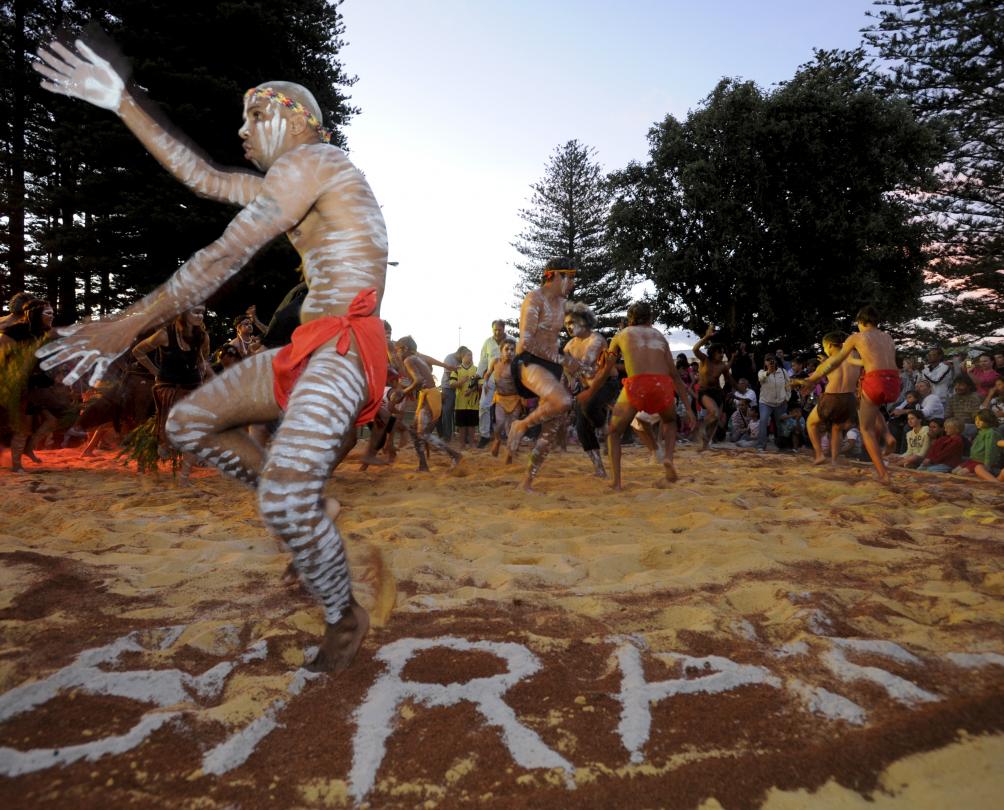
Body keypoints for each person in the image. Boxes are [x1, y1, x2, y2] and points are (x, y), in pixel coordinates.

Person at [35, 38, 388, 672]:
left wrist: (126, 325)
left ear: (301, 119)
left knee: (281, 500)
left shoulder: (316, 159)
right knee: (186, 423)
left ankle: (344, 614)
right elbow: (203, 177)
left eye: (257, 114)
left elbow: (226, 255)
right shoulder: (299, 178)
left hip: (342, 350)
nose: (242, 128)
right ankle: (308, 505)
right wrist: (122, 103)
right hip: (309, 348)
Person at [593, 301, 695, 490]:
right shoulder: (660, 337)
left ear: (630, 318)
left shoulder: (621, 334)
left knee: (614, 433)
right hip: (662, 384)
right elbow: (674, 375)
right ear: (650, 318)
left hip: (637, 384)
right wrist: (689, 410)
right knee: (670, 422)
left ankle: (616, 482)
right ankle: (668, 459)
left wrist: (591, 390)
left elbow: (607, 368)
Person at [794, 306, 898, 484]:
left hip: (869, 382)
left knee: (866, 429)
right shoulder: (887, 337)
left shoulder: (857, 337)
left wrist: (813, 379)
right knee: (872, 407)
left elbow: (834, 362)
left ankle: (883, 474)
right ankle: (888, 436)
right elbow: (871, 360)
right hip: (894, 382)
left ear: (860, 321)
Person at [507, 257, 580, 492]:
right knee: (564, 400)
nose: (572, 283)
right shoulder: (534, 298)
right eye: (570, 278)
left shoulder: (562, 303)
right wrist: (562, 359)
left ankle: (527, 481)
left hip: (551, 364)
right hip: (529, 362)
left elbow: (566, 334)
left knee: (553, 425)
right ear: (556, 276)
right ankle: (521, 425)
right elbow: (526, 342)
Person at [132, 307, 211, 474]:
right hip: (168, 386)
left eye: (202, 312)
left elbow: (202, 357)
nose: (200, 315)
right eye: (195, 312)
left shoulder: (202, 336)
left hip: (192, 384)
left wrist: (202, 365)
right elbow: (138, 351)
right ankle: (165, 442)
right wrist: (154, 371)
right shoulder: (165, 334)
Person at [1, 298, 71, 471]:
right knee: (22, 425)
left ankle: (28, 448)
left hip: (35, 384)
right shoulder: (14, 331)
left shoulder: (42, 333)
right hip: (15, 385)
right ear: (35, 314)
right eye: (48, 313)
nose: (52, 316)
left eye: (53, 313)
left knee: (54, 418)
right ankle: (16, 466)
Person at [563, 302, 619, 477]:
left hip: (607, 383)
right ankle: (599, 469)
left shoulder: (596, 339)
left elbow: (585, 363)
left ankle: (604, 429)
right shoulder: (569, 346)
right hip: (588, 388)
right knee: (581, 429)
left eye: (573, 322)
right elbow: (566, 373)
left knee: (589, 405)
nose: (569, 327)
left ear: (584, 321)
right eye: (566, 324)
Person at [395, 336, 462, 471]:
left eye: (398, 350)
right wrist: (448, 366)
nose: (397, 354)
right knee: (414, 431)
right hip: (428, 396)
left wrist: (404, 392)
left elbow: (418, 380)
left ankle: (454, 455)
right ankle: (423, 464)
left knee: (423, 434)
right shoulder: (417, 357)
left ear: (405, 349)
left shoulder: (409, 359)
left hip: (430, 397)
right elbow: (429, 364)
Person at [806, 331, 860, 467]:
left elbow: (811, 380)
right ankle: (835, 460)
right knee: (837, 429)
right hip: (849, 398)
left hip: (832, 397)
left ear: (829, 345)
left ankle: (819, 455)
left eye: (824, 347)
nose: (824, 350)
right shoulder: (855, 354)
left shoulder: (829, 362)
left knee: (811, 423)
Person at [692, 325, 733, 451]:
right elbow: (695, 349)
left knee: (715, 420)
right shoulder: (704, 360)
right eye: (719, 352)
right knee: (714, 415)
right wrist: (706, 337)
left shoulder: (722, 365)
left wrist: (728, 392)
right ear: (713, 352)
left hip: (718, 393)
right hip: (705, 392)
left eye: (723, 352)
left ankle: (705, 445)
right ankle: (701, 427)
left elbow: (727, 379)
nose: (722, 354)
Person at [486, 338, 521, 462]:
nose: (510, 352)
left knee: (512, 428)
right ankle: (497, 439)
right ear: (501, 351)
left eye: (512, 349)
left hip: (515, 399)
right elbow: (488, 373)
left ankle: (510, 453)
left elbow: (525, 381)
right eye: (507, 349)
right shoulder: (495, 362)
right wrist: (484, 384)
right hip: (500, 398)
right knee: (499, 424)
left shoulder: (517, 365)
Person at [476, 320, 507, 448]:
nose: (497, 332)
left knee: (507, 405)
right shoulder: (488, 342)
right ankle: (484, 435)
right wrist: (478, 376)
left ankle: (505, 433)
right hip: (491, 376)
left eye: (499, 329)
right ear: (492, 329)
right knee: (483, 405)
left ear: (504, 329)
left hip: (507, 376)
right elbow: (483, 360)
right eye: (495, 329)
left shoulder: (511, 340)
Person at [953, 409, 1002, 484]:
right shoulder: (981, 431)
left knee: (961, 474)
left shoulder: (991, 433)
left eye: (980, 420)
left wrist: (987, 465)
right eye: (976, 420)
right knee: (954, 472)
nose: (977, 422)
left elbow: (991, 450)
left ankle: (986, 478)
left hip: (982, 462)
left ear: (988, 421)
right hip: (973, 460)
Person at [757, 355, 790, 452]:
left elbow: (788, 386)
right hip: (765, 402)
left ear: (776, 361)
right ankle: (761, 446)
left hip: (780, 402)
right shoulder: (762, 372)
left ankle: (782, 445)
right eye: (767, 360)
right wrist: (768, 372)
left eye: (772, 360)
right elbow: (761, 379)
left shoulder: (783, 372)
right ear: (765, 363)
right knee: (763, 421)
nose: (770, 362)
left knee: (781, 424)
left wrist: (787, 398)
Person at [450, 348, 481, 450]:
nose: (470, 357)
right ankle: (462, 444)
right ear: (462, 357)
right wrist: (461, 382)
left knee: (472, 425)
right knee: (461, 426)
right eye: (468, 355)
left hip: (473, 404)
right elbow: (452, 384)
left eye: (471, 355)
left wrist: (471, 391)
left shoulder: (477, 370)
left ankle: (472, 443)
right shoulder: (456, 370)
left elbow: (480, 385)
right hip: (460, 403)